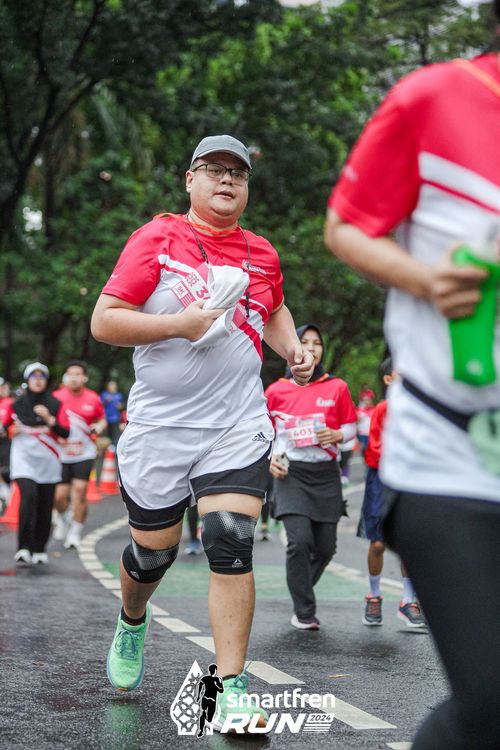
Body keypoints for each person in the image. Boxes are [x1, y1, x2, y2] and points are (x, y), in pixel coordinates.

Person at [91, 134, 314, 730]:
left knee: (229, 538)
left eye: (237, 173)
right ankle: (132, 620)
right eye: (214, 170)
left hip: (235, 423)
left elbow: (275, 308)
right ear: (190, 180)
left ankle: (230, 687)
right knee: (152, 555)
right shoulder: (157, 238)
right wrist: (178, 325)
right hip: (160, 427)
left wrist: (290, 347)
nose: (227, 180)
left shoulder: (262, 252)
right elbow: (105, 322)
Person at [325, 4, 500, 745]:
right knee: (492, 701)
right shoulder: (434, 97)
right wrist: (426, 280)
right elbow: (345, 225)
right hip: (448, 452)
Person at [265, 324, 357, 630]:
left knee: (326, 548)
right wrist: (269, 460)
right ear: (292, 347)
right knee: (300, 542)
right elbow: (262, 433)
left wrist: (337, 434)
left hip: (326, 474)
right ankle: (304, 610)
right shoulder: (275, 391)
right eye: (304, 341)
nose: (311, 348)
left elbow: (351, 428)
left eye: (317, 343)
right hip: (290, 472)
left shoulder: (337, 387)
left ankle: (300, 585)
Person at [358, 357, 426, 629]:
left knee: (410, 541)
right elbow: (373, 451)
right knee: (377, 543)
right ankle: (373, 595)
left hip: (412, 480)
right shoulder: (383, 409)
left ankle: (408, 601)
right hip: (382, 480)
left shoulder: (420, 410)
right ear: (388, 380)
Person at [2, 363, 69, 564]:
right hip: (23, 460)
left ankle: (39, 548)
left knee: (45, 503)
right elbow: (3, 428)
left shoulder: (55, 403)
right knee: (28, 496)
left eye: (41, 377)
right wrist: (10, 431)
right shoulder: (16, 405)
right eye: (33, 376)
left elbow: (66, 432)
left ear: (46, 381)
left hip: (48, 460)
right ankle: (23, 547)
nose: (38, 380)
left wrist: (49, 419)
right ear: (27, 380)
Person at [52, 361, 107, 550]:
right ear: (65, 377)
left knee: (80, 491)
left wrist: (99, 426)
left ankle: (75, 532)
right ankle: (63, 517)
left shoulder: (93, 398)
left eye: (77, 374)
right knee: (59, 497)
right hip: (62, 453)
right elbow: (48, 423)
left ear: (84, 377)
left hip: (85, 452)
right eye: (70, 374)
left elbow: (102, 419)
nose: (74, 378)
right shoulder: (56, 397)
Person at [196, 663, 224, 736]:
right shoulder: (206, 678)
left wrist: (216, 685)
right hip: (206, 699)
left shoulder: (217, 679)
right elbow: (200, 685)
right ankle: (201, 730)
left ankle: (205, 724)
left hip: (211, 700)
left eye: (213, 670)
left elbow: (221, 690)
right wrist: (198, 696)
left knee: (209, 717)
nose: (212, 671)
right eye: (212, 670)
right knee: (203, 713)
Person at [0, 378, 13, 511]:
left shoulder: (9, 402)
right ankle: (4, 493)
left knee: (7, 471)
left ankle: (10, 496)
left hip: (7, 441)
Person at [100, 380, 125, 446]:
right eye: (110, 385)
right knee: (106, 435)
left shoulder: (119, 395)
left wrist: (120, 406)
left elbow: (122, 406)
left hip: (115, 418)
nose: (112, 387)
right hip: (105, 418)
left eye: (113, 385)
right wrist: (106, 401)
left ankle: (115, 447)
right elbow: (100, 405)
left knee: (115, 434)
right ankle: (107, 447)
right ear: (108, 387)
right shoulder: (104, 394)